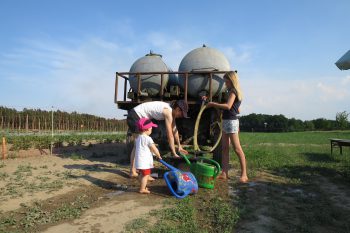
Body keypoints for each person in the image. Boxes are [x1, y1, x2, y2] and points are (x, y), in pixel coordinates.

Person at [205, 71, 248, 183]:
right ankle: (224, 173)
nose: (225, 83)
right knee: (224, 149)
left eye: (226, 81)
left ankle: (244, 175)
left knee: (237, 149)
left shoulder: (233, 91)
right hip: (226, 121)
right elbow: (237, 109)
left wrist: (213, 104)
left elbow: (228, 106)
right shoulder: (231, 92)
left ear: (231, 80)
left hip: (231, 122)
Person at [127, 100, 189, 178]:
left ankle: (137, 171)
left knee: (137, 146)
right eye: (181, 113)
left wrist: (179, 146)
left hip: (137, 116)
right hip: (135, 116)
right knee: (138, 145)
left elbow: (174, 129)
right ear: (177, 109)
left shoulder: (171, 111)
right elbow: (170, 135)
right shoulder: (168, 112)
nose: (181, 115)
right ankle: (135, 171)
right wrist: (174, 153)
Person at [134, 117, 162, 194]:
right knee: (146, 175)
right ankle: (142, 189)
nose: (151, 129)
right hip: (144, 162)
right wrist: (158, 155)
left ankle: (143, 185)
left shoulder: (138, 138)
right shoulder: (148, 138)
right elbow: (154, 148)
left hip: (139, 161)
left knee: (141, 174)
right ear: (146, 129)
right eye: (151, 128)